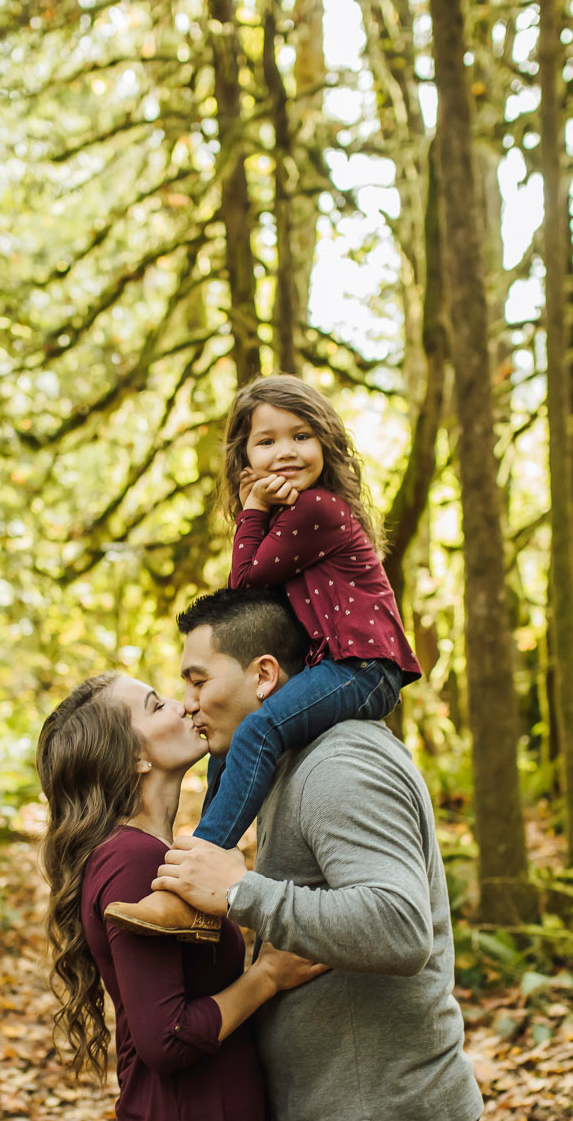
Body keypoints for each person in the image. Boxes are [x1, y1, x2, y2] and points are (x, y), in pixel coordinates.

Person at [150, 587, 484, 1121]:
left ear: (265, 675)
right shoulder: (292, 759)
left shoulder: (339, 763)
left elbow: (401, 926)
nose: (189, 703)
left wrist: (243, 894)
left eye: (199, 680)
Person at [35, 671, 330, 1121]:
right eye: (158, 704)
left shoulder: (167, 855)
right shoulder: (129, 861)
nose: (184, 704)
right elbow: (166, 1038)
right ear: (134, 756)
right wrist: (266, 977)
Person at [107, 375, 422, 940]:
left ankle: (194, 879)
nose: (285, 452)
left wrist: (251, 507)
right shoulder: (294, 518)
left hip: (364, 666)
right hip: (337, 664)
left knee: (257, 730)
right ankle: (194, 889)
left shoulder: (318, 508)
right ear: (245, 455)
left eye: (300, 436)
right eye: (266, 441)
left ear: (324, 443)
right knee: (226, 745)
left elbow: (244, 591)